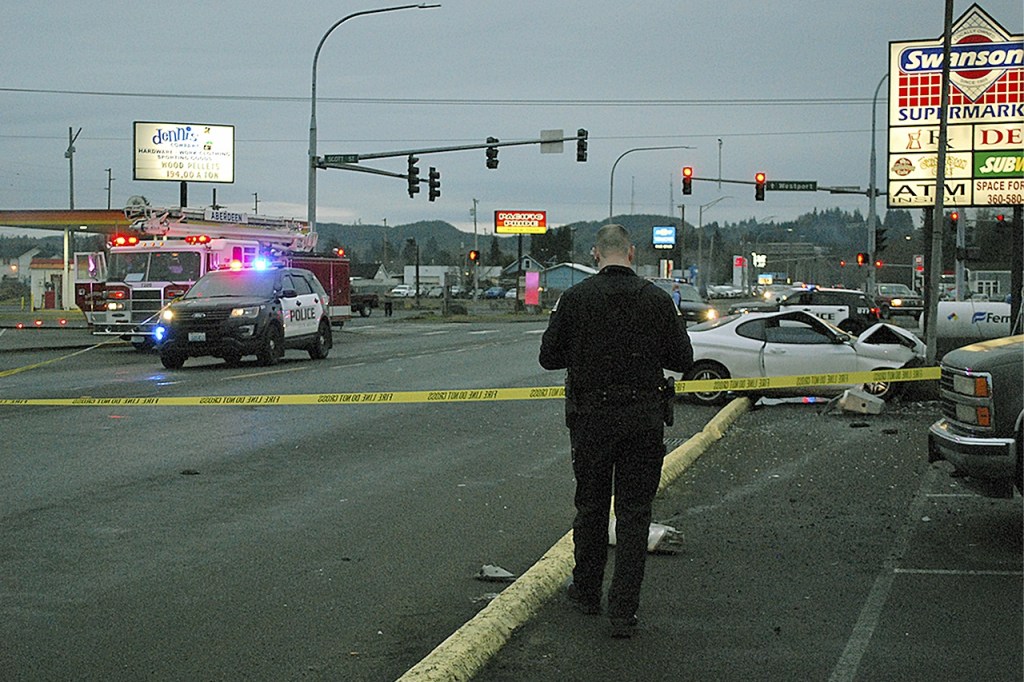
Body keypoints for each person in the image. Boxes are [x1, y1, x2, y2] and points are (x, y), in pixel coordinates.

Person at [539, 224, 693, 638]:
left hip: (591, 418)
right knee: (634, 514)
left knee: (591, 507)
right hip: (643, 418)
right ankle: (623, 610)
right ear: (631, 253)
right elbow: (683, 358)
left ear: (595, 254)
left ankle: (587, 592)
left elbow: (548, 357)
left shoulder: (575, 299)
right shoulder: (657, 300)